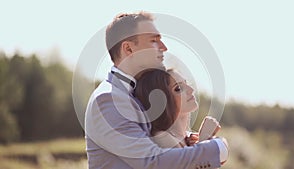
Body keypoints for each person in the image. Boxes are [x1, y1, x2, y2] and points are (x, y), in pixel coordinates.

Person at [85, 11, 228, 169]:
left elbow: (145, 139)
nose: (164, 48)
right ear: (128, 49)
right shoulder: (108, 99)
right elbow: (152, 161)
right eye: (154, 40)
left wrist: (185, 140)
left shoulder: (129, 93)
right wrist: (216, 148)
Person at [134, 69, 220, 148]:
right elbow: (202, 163)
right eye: (178, 88)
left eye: (187, 84)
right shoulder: (163, 139)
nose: (191, 90)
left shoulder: (185, 139)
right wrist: (205, 138)